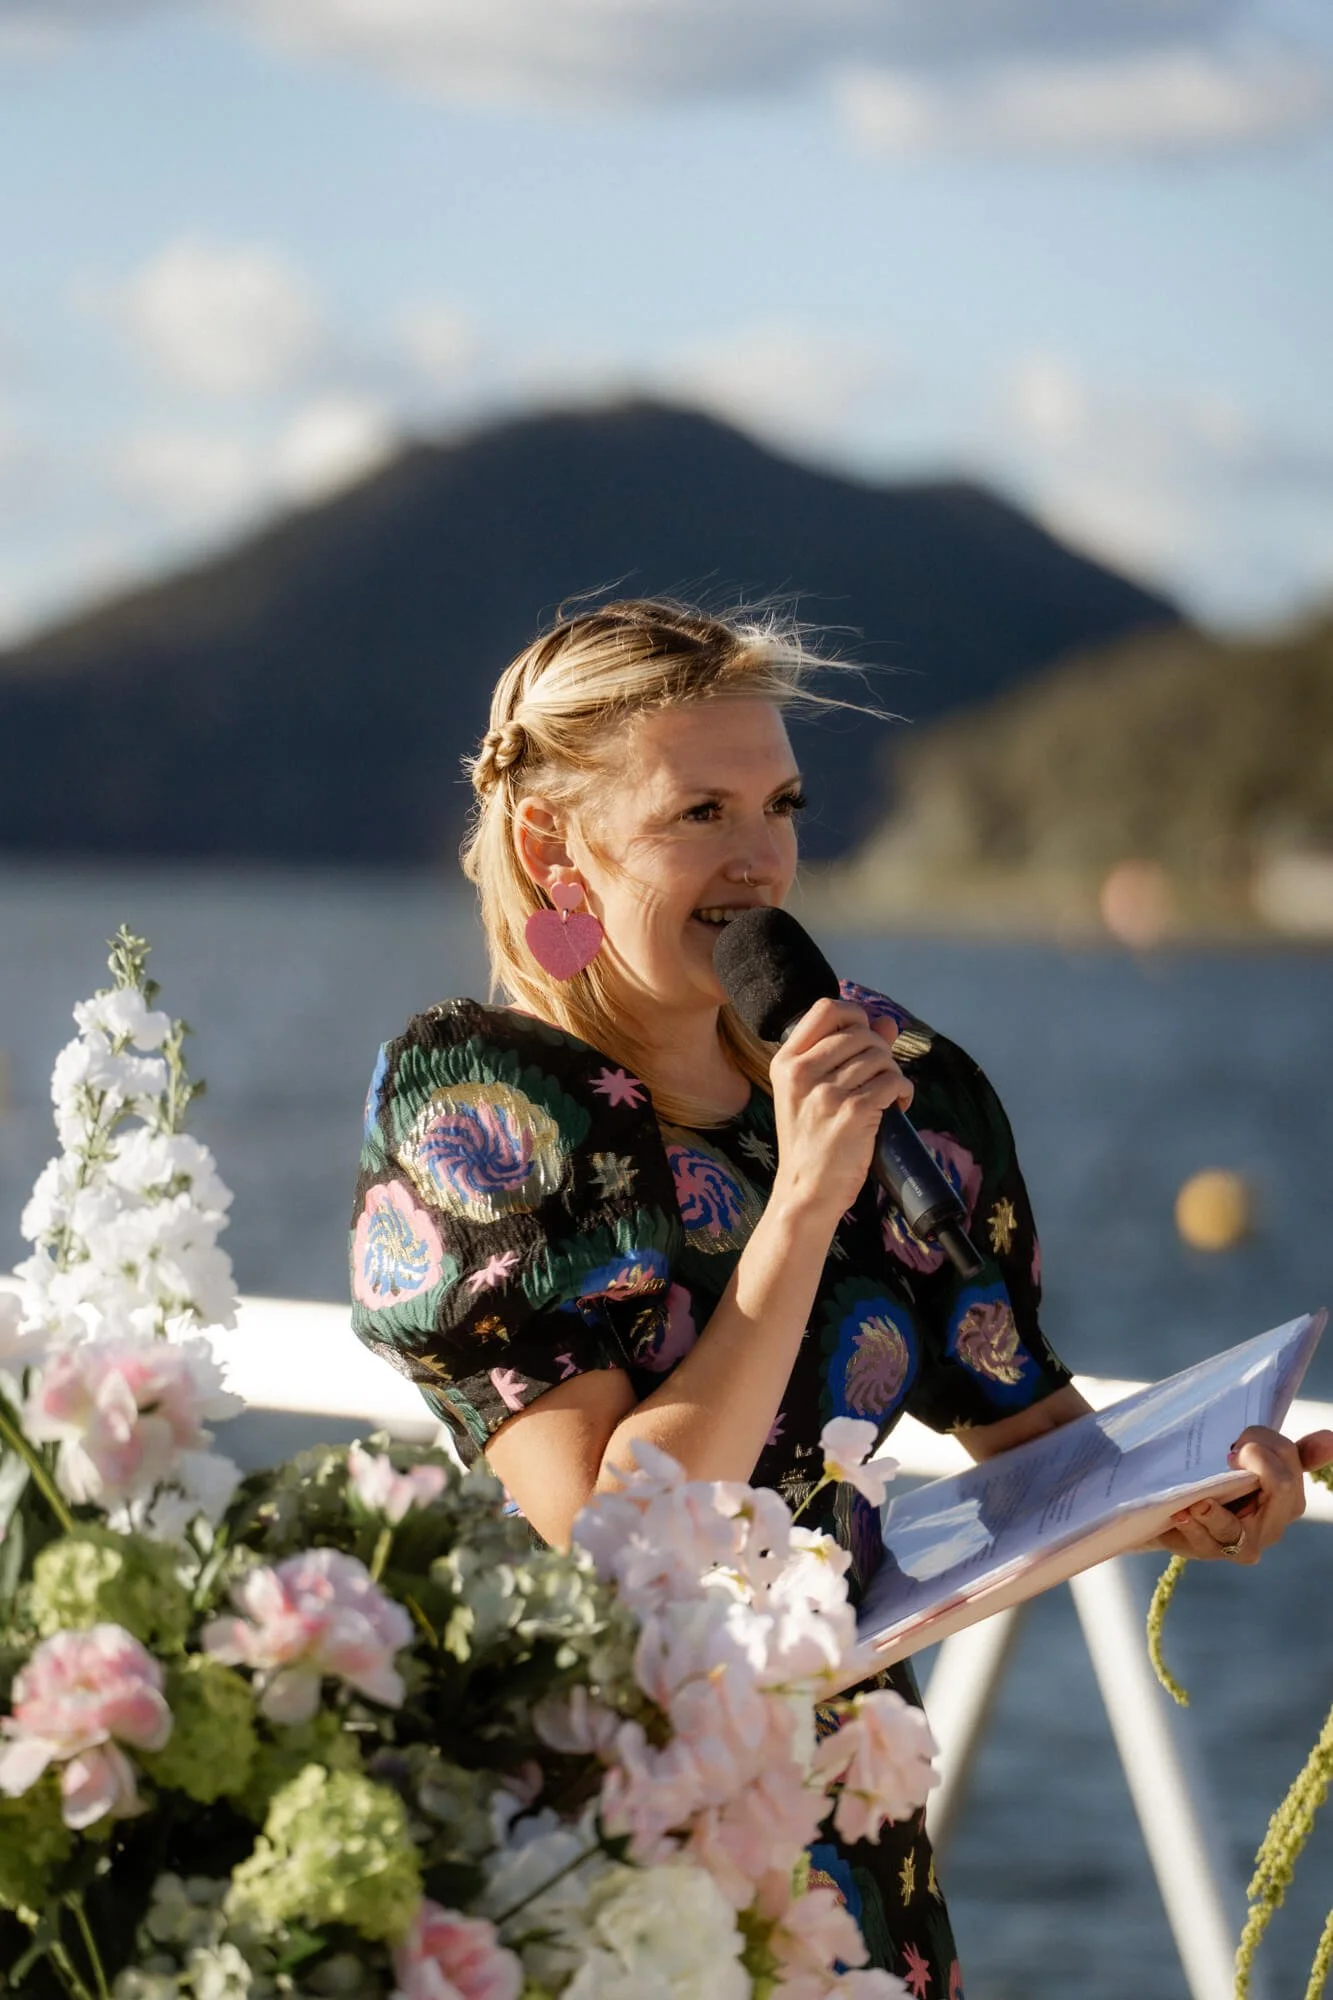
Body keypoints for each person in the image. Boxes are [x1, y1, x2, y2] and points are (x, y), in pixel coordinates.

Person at [349, 598, 1331, 1995]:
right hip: (599, 1834)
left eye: (781, 804)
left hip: (848, 1822)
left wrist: (1201, 1495)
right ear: (549, 847)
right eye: (699, 813)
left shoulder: (899, 1077)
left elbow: (1034, 1441)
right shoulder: (487, 1115)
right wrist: (801, 1205)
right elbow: (625, 1539)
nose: (760, 861)